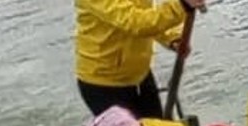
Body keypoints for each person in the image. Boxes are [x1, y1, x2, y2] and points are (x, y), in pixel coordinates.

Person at [74, 0, 207, 118]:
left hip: (140, 75)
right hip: (103, 84)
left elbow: (146, 14)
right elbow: (136, 23)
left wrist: (171, 38)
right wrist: (181, 5)